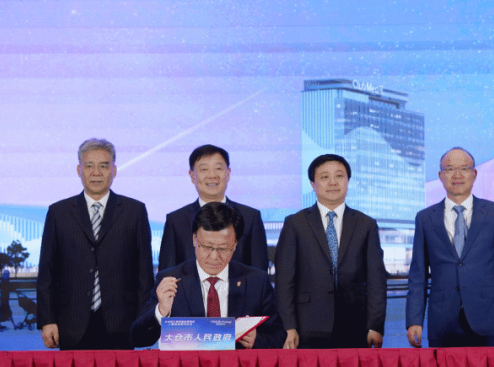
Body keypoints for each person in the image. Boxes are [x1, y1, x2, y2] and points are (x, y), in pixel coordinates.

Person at [37, 138, 154, 350]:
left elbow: (144, 274)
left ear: (114, 170)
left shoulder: (134, 211)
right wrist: (47, 320)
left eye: (104, 166)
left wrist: (143, 321)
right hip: (71, 323)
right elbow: (47, 272)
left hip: (123, 323)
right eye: (89, 166)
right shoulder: (59, 213)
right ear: (79, 170)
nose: (96, 173)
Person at [405, 147, 494, 348]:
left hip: (489, 318)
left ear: (474, 174)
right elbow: (418, 276)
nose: (457, 175)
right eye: (450, 169)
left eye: (464, 168)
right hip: (442, 321)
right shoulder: (425, 218)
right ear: (441, 176)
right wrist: (414, 320)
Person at [131, 202, 285, 349]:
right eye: (207, 247)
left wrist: (256, 339)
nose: (214, 257)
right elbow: (138, 338)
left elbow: (279, 337)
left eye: (223, 249)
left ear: (235, 245)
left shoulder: (256, 281)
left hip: (237, 366)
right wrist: (160, 312)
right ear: (194, 240)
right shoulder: (170, 279)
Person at [274, 154, 386, 349]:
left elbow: (376, 280)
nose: (333, 182)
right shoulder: (295, 223)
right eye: (325, 177)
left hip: (355, 326)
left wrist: (375, 325)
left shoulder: (366, 224)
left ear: (348, 181)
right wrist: (288, 326)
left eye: (339, 176)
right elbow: (284, 281)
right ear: (313, 184)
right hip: (306, 326)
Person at [158, 144, 268, 272]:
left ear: (228, 173)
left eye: (218, 168)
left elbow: (259, 273)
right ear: (192, 176)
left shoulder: (250, 217)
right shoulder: (176, 220)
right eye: (204, 169)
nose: (212, 175)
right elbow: (167, 273)